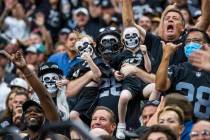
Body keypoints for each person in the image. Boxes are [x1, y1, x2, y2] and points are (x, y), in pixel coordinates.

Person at [0, 50, 60, 140]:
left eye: (37, 111)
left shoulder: (52, 130)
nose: (32, 113)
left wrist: (25, 69)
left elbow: (45, 97)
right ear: (23, 118)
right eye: (28, 112)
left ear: (45, 116)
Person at [155, 28, 210, 120]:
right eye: (188, 41)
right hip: (179, 125)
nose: (191, 44)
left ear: (207, 46)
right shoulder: (177, 69)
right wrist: (166, 56)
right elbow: (160, 86)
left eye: (196, 41)